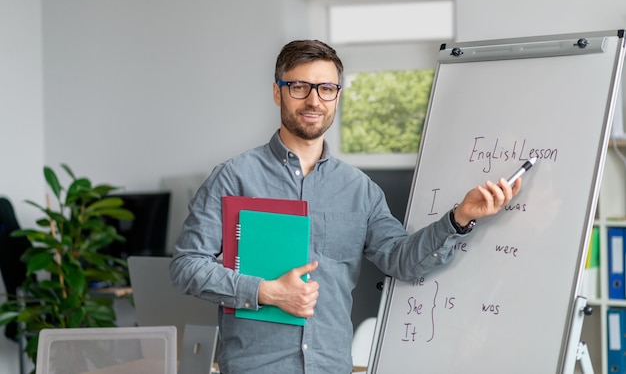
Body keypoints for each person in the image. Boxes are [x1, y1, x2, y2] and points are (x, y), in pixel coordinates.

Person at [170, 39, 522, 374]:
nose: (314, 100)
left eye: (326, 88)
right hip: (256, 367)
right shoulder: (234, 177)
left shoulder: (359, 189)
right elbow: (186, 266)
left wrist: (459, 218)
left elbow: (401, 260)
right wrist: (267, 291)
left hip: (331, 366)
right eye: (299, 87)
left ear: (337, 96)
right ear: (277, 92)